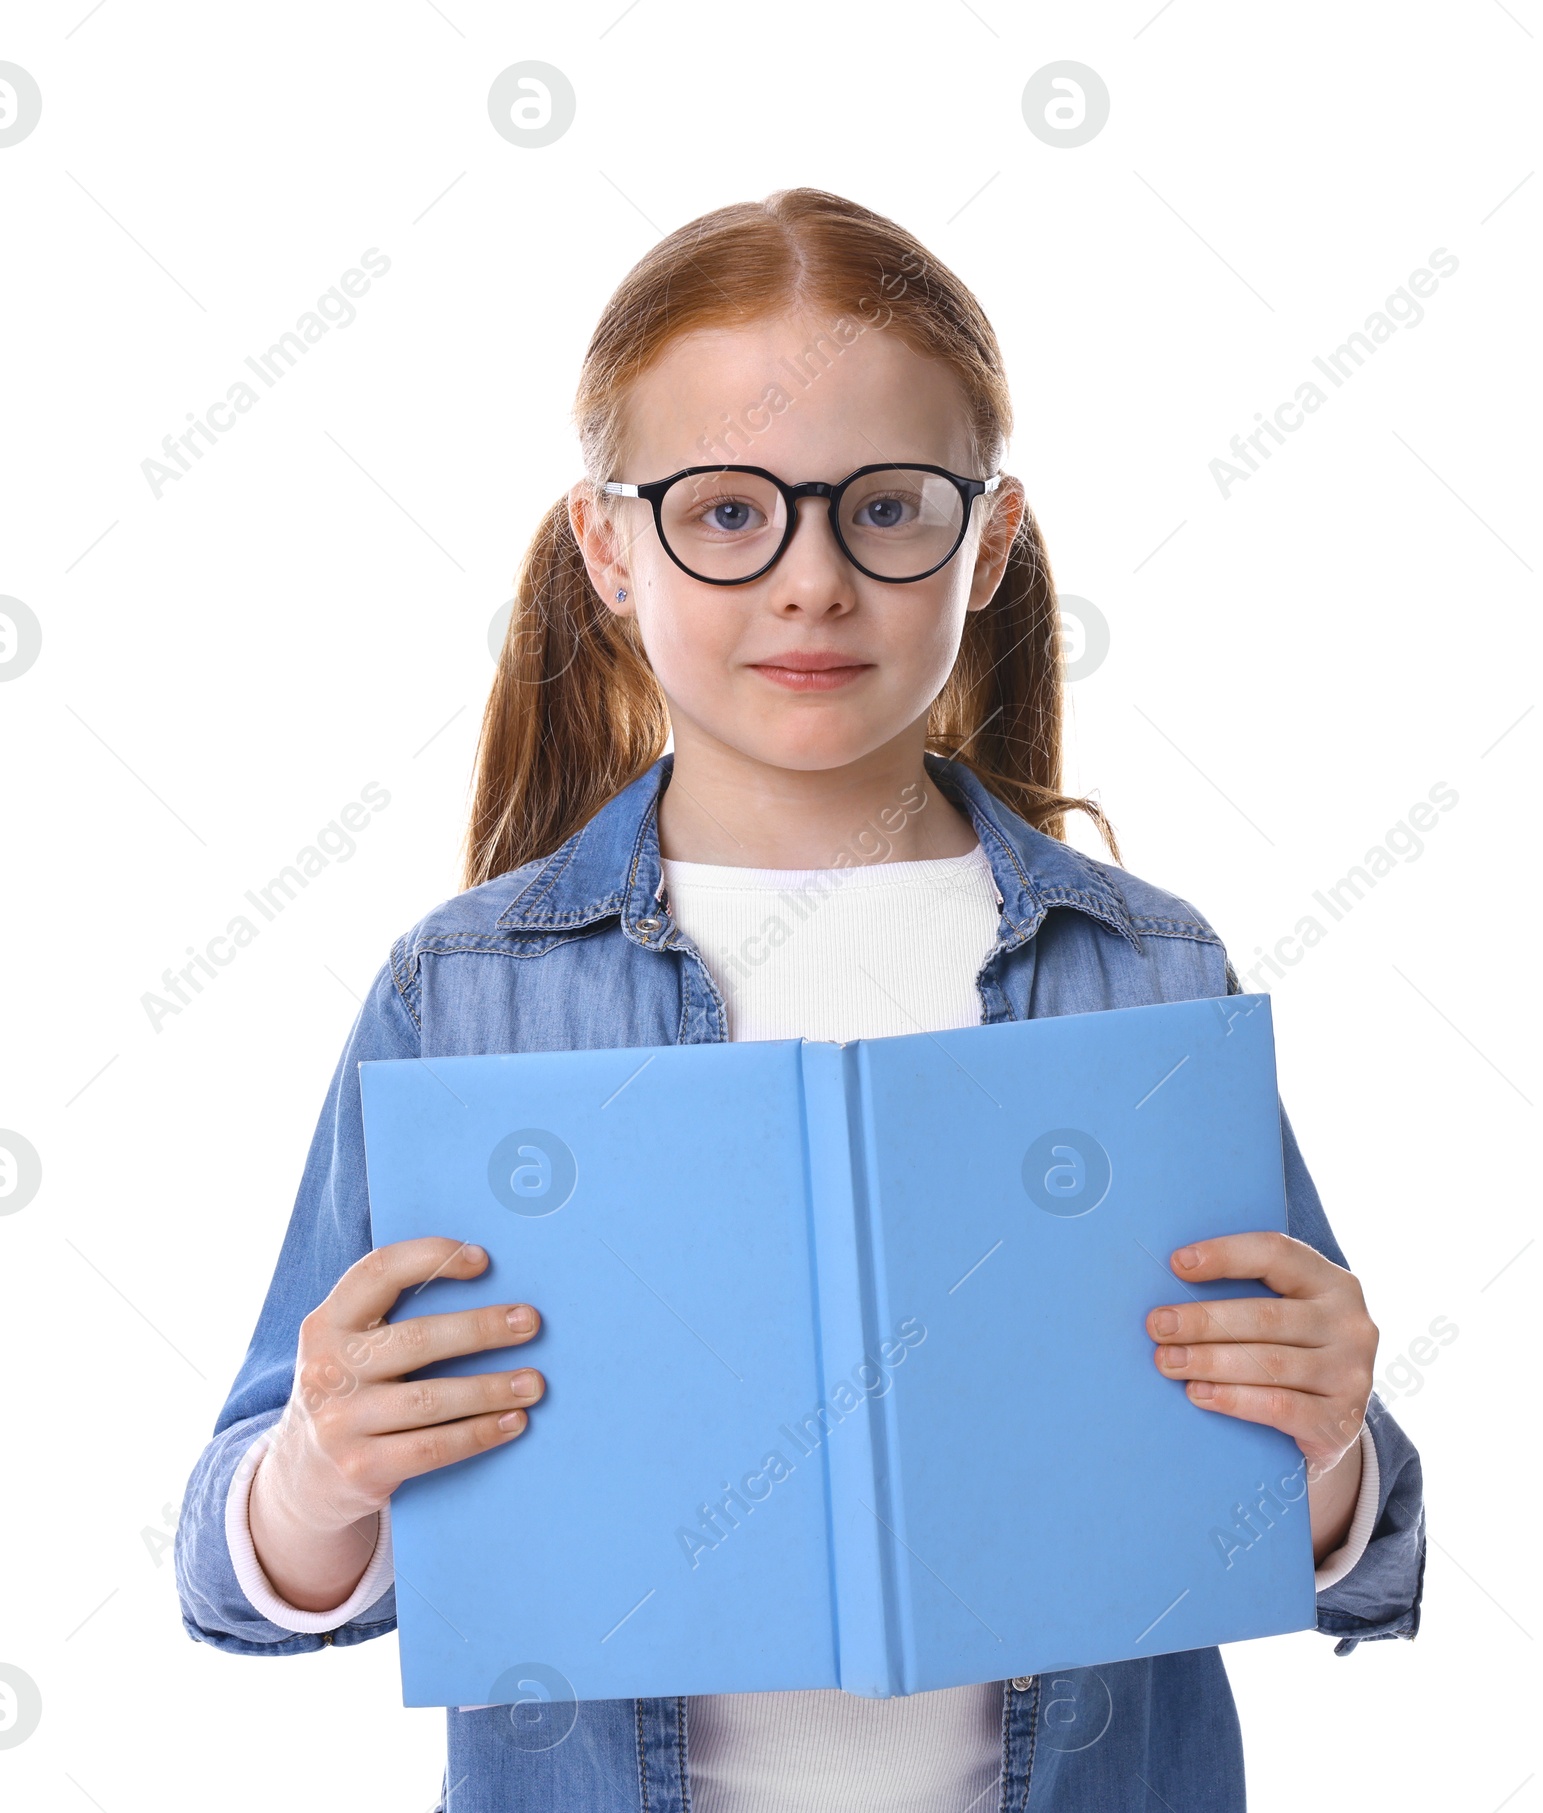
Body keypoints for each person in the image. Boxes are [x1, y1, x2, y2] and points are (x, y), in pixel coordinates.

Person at [175, 187, 1424, 1813]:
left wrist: (1333, 1448)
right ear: (609, 547)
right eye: (727, 511)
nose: (813, 579)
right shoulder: (464, 992)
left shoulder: (1146, 974)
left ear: (992, 541)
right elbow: (233, 1565)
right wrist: (323, 1468)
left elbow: (1346, 1544)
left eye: (888, 507)